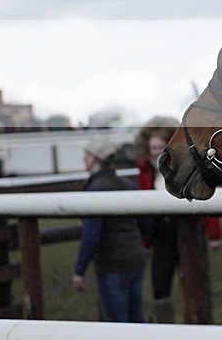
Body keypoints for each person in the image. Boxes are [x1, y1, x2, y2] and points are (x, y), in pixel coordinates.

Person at [134, 116, 222, 323]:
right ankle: (166, 327)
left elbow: (205, 199)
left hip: (188, 231)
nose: (155, 152)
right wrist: (145, 241)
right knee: (160, 285)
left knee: (194, 282)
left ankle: (198, 323)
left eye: (159, 147)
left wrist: (215, 234)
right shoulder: (145, 173)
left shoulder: (185, 171)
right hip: (161, 235)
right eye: (152, 148)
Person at [72, 135, 148, 322]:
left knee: (116, 322)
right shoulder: (127, 185)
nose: (84, 158)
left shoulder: (96, 190)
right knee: (136, 318)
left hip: (113, 264)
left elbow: (91, 235)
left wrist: (79, 270)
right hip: (135, 258)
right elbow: (145, 220)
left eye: (87, 154)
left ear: (95, 158)